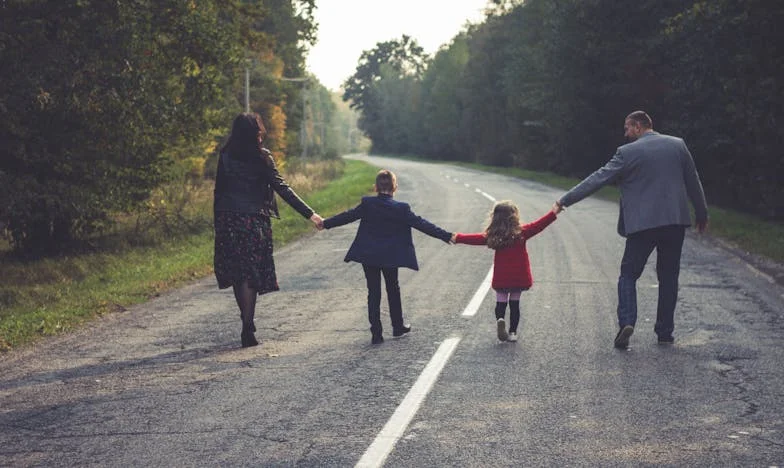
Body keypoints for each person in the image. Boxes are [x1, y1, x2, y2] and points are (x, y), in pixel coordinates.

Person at [555, 110, 708, 349]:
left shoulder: (627, 153)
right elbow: (693, 180)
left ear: (638, 126)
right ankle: (665, 333)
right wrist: (702, 213)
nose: (625, 133)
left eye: (627, 128)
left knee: (628, 274)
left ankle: (627, 322)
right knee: (669, 277)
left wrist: (566, 199)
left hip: (643, 225)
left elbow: (599, 178)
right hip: (674, 223)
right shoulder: (678, 146)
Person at [213, 112, 323, 348]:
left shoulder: (226, 156)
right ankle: (248, 325)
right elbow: (282, 188)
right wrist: (310, 214)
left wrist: (218, 223)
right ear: (256, 132)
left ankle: (246, 319)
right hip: (254, 221)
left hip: (228, 219)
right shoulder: (262, 157)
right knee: (251, 272)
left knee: (237, 273)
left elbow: (219, 191)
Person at [321, 169, 453, 344]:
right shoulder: (402, 209)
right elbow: (422, 224)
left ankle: (376, 333)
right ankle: (397, 327)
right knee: (393, 288)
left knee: (373, 291)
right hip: (390, 256)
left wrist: (325, 223)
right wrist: (446, 235)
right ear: (395, 187)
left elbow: (348, 216)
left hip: (369, 255)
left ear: (375, 187)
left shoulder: (367, 204)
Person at [452, 201, 559, 342]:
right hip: (519, 276)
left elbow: (474, 239)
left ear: (495, 218)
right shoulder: (522, 233)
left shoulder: (493, 236)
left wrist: (457, 237)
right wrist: (554, 212)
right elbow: (540, 225)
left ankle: (500, 319)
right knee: (515, 304)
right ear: (514, 217)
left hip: (502, 277)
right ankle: (513, 332)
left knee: (501, 302)